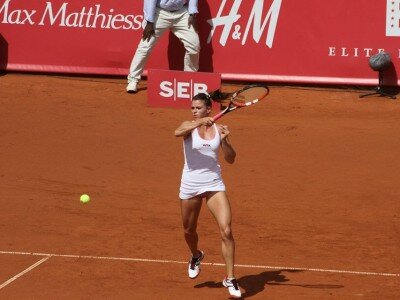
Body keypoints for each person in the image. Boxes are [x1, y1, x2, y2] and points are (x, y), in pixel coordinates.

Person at [174, 93, 242, 298]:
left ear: (208, 109)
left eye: (198, 108)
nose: (194, 110)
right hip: (190, 185)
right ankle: (196, 255)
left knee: (227, 230)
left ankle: (230, 278)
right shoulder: (189, 126)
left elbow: (230, 159)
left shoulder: (219, 129)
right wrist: (199, 122)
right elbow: (177, 132)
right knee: (188, 230)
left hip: (213, 184)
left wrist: (225, 141)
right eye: (192, 108)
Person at [126, 0, 200, 93]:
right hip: (160, 12)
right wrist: (149, 21)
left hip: (182, 13)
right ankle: (133, 80)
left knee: (194, 46)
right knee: (145, 47)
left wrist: (192, 14)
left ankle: (189, 79)